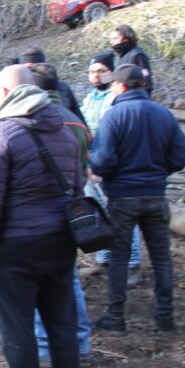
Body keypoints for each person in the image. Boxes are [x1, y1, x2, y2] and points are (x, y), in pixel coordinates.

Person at [0, 65, 82, 368]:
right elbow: (77, 191)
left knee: (18, 329)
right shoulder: (66, 133)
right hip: (61, 243)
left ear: (5, 93)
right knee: (62, 325)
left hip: (14, 248)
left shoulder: (2, 134)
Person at [89, 64, 185, 334]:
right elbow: (182, 155)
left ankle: (116, 318)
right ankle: (165, 320)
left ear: (120, 86)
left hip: (123, 198)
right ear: (141, 86)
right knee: (161, 258)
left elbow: (102, 161)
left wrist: (105, 170)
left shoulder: (113, 116)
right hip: (156, 195)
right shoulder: (164, 114)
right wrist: (159, 172)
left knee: (119, 257)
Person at [29, 63, 92, 365]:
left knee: (39, 284)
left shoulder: (32, 122)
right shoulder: (77, 124)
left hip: (38, 214)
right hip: (71, 210)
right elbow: (82, 169)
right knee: (70, 280)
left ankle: (43, 350)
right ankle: (81, 342)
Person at [77, 51, 143, 286]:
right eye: (92, 71)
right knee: (97, 214)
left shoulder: (116, 99)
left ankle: (132, 264)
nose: (95, 75)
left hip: (111, 167)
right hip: (90, 165)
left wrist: (103, 164)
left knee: (121, 216)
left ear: (111, 73)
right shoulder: (88, 99)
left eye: (100, 71)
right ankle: (102, 258)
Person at [18, 47, 85, 126]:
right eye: (27, 69)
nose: (31, 73)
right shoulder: (18, 92)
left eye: (34, 68)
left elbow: (79, 120)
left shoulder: (62, 88)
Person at [109, 25, 154, 97]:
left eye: (115, 38)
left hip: (136, 98)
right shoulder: (121, 56)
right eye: (111, 39)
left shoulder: (138, 55)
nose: (111, 42)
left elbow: (146, 81)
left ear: (125, 39)